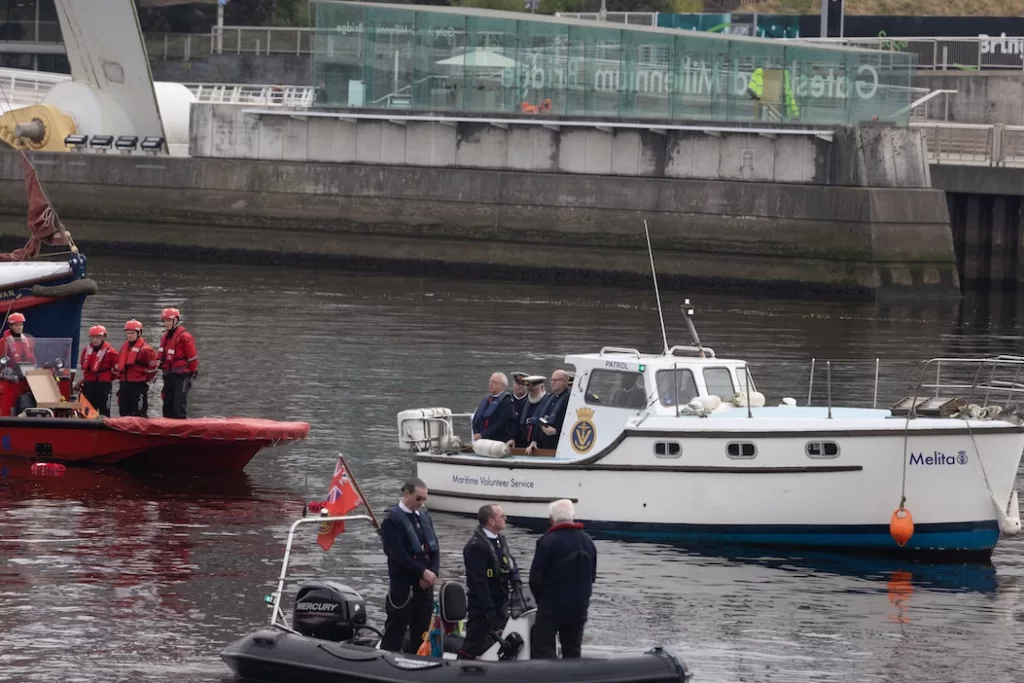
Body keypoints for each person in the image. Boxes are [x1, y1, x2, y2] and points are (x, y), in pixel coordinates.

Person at [528, 499, 597, 659]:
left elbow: (535, 578)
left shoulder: (548, 541)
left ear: (551, 519)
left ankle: (549, 672)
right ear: (573, 516)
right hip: (579, 606)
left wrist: (541, 601)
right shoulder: (588, 541)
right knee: (573, 647)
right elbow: (592, 576)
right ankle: (572, 672)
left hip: (552, 605)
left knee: (543, 646)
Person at [379, 478, 440, 654]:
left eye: (424, 499)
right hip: (404, 587)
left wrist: (432, 572)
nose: (421, 503)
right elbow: (396, 553)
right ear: (406, 494)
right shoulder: (392, 520)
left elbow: (434, 548)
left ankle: (418, 660)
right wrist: (422, 571)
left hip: (425, 586)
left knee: (422, 632)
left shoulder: (424, 517)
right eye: (418, 498)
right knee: (395, 630)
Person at [459, 504, 522, 659]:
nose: (505, 518)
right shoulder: (476, 546)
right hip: (482, 606)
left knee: (503, 640)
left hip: (501, 603)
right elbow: (479, 581)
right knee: (474, 642)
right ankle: (461, 665)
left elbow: (511, 564)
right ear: (491, 521)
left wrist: (516, 584)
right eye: (502, 516)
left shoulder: (500, 541)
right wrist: (488, 609)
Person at [157, 307, 198, 419]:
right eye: (164, 321)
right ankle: (167, 423)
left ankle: (181, 424)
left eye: (169, 321)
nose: (166, 323)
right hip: (168, 374)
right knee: (167, 404)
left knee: (179, 404)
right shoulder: (165, 336)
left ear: (176, 320)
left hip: (181, 375)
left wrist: (192, 373)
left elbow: (192, 358)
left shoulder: (184, 337)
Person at [116, 319, 157, 417]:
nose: (129, 335)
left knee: (139, 413)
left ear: (139, 333)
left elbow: (153, 368)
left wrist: (144, 378)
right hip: (124, 384)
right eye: (128, 333)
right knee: (124, 412)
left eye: (132, 333)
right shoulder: (124, 348)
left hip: (138, 385)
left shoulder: (146, 350)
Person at [75, 325, 118, 416]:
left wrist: (107, 378)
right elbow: (84, 367)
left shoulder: (111, 353)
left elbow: (117, 370)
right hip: (89, 385)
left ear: (103, 337)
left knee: (104, 412)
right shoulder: (86, 351)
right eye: (93, 337)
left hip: (103, 385)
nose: (94, 340)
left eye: (97, 337)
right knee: (86, 413)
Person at [528, 369, 571, 453]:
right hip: (544, 443)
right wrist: (535, 440)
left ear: (565, 382)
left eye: (556, 380)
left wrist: (557, 431)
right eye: (552, 380)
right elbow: (540, 418)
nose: (553, 382)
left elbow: (572, 423)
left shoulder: (570, 399)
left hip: (559, 445)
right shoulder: (549, 397)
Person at [471, 372, 516, 444]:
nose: (490, 384)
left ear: (502, 385)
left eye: (494, 382)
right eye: (490, 382)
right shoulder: (486, 399)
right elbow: (476, 418)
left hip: (497, 441)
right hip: (481, 440)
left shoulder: (507, 402)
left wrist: (483, 435)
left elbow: (501, 424)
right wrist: (477, 433)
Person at [508, 375, 547, 449]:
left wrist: (536, 440)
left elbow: (544, 425)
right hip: (523, 443)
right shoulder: (526, 402)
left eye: (534, 390)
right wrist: (513, 438)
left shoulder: (547, 402)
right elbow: (517, 422)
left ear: (542, 388)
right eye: (529, 390)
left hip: (539, 445)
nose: (531, 393)